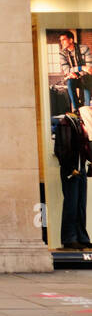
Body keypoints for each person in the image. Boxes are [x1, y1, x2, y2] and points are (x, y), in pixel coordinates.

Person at [54, 107, 92, 250]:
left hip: (79, 166)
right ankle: (70, 238)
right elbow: (62, 148)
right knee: (72, 203)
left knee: (80, 204)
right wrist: (70, 167)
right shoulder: (65, 124)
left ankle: (81, 236)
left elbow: (85, 145)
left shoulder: (77, 123)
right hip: (73, 168)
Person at [58, 30, 92, 111]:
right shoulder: (62, 53)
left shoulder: (84, 48)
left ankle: (87, 110)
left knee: (87, 103)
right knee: (70, 82)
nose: (61, 43)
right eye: (60, 40)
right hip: (73, 78)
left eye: (63, 40)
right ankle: (76, 109)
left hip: (86, 77)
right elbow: (66, 70)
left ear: (71, 40)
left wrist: (77, 73)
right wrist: (81, 68)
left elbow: (89, 68)